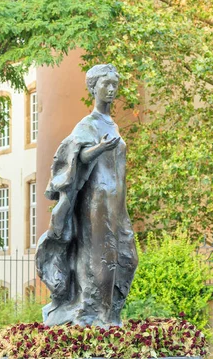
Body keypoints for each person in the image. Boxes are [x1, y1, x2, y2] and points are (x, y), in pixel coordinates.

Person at [36, 64, 138, 328]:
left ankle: (110, 312)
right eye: (106, 84)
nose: (112, 89)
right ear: (94, 88)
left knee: (126, 256)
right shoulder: (88, 124)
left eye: (115, 84)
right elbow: (76, 157)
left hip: (117, 202)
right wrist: (99, 148)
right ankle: (99, 315)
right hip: (96, 201)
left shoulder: (112, 124)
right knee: (101, 257)